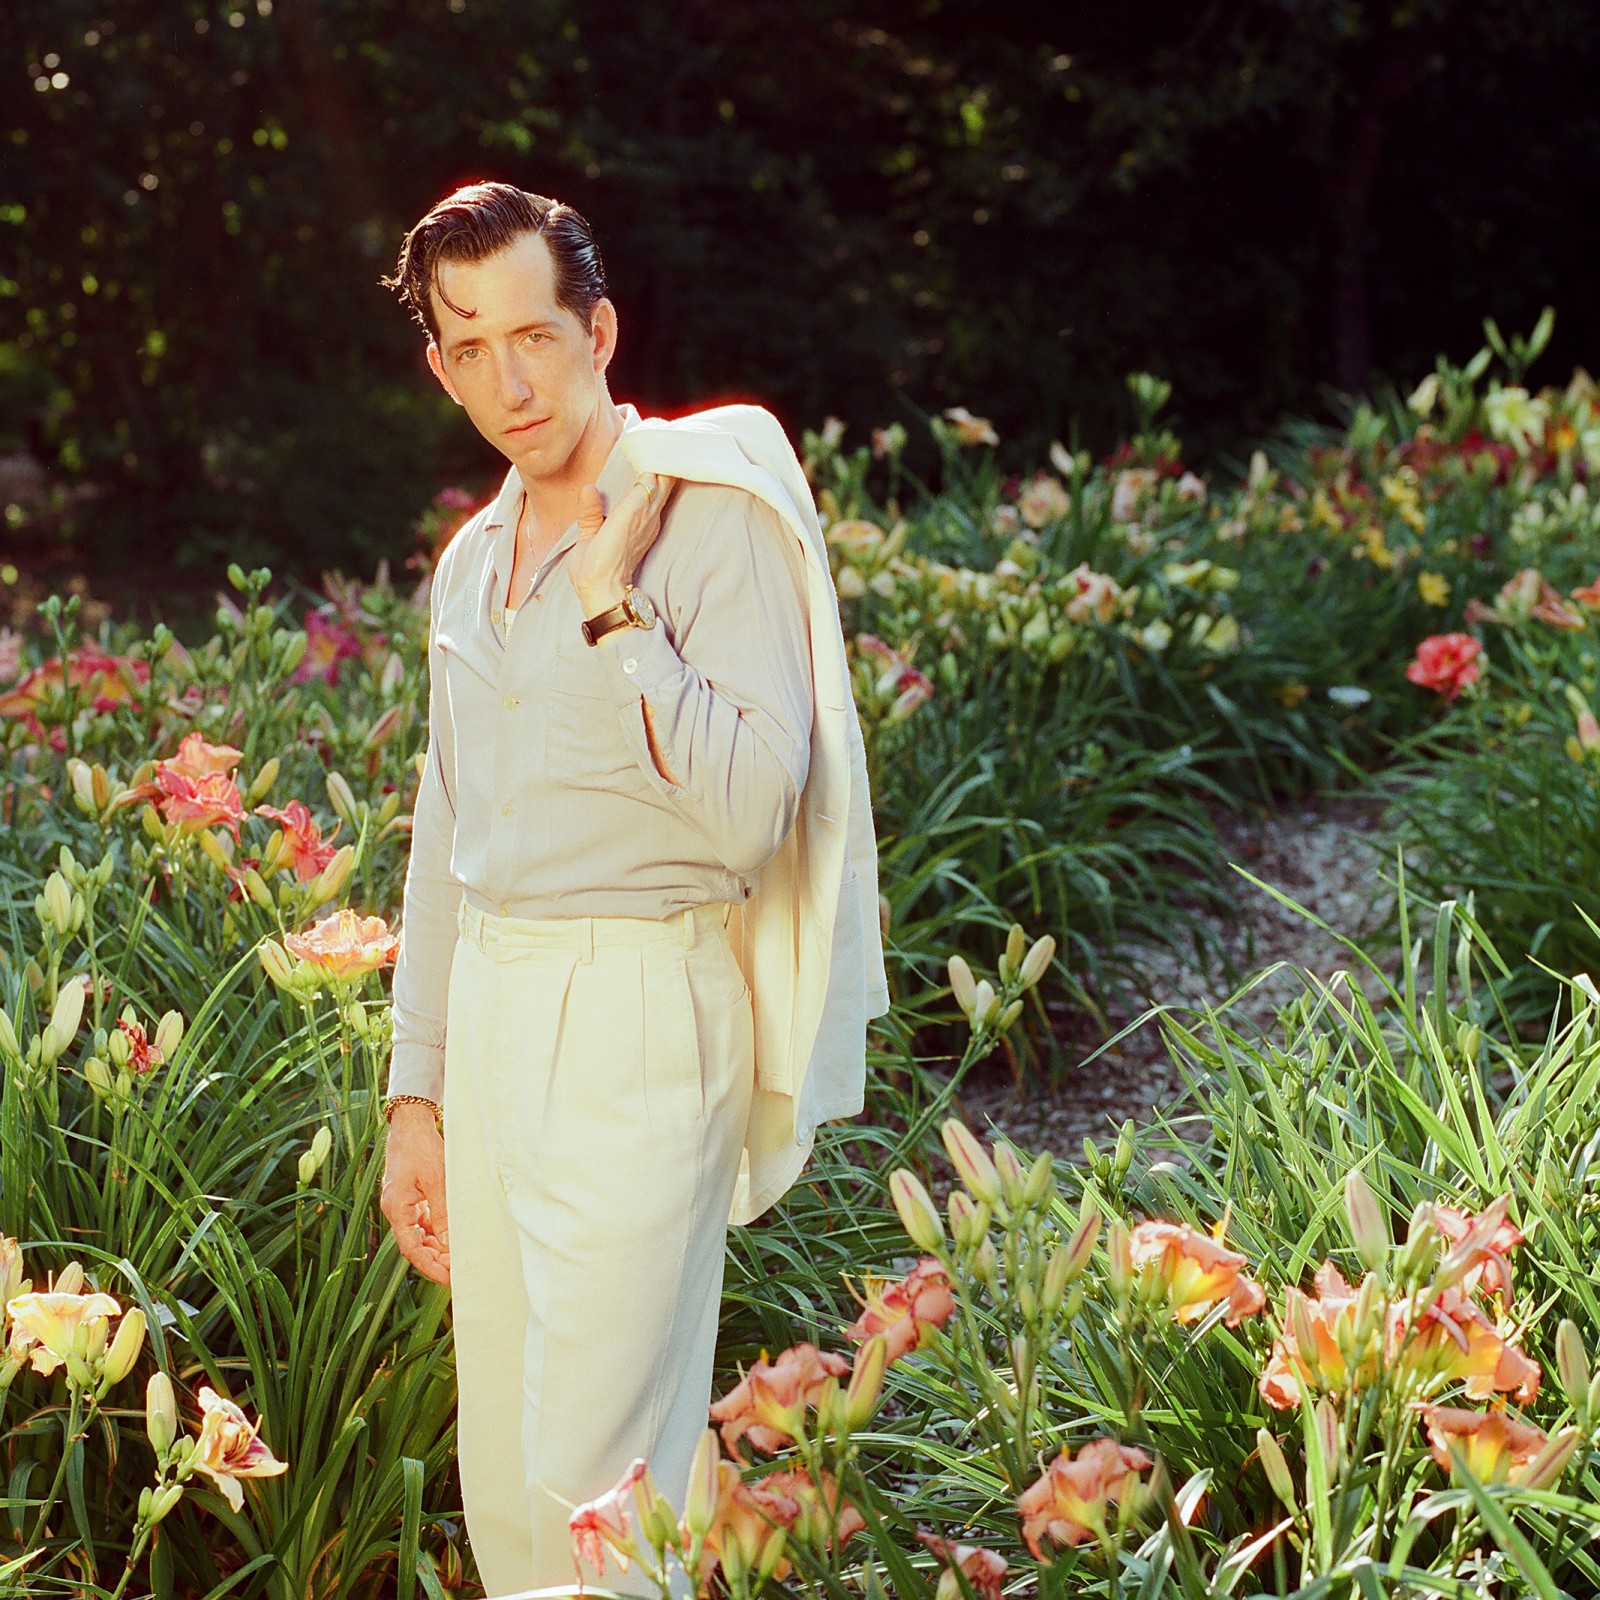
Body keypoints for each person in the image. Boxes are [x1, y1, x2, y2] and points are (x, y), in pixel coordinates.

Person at [378, 182, 887, 1597]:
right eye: (469, 346)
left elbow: (746, 816)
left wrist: (615, 607)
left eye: (535, 332)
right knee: (507, 1469)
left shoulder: (706, 519)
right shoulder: (470, 566)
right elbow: (445, 835)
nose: (510, 378)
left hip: (641, 1002)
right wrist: (412, 1093)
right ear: (439, 361)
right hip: (490, 1005)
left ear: (598, 327)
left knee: (599, 1477)